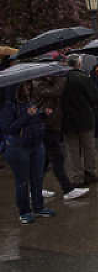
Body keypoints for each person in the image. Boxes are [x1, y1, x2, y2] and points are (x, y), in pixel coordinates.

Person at [1, 81, 57, 224]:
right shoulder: (8, 106)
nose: (28, 88)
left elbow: (35, 119)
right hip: (18, 148)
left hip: (36, 145)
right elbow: (8, 129)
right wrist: (27, 115)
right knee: (22, 182)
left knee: (37, 178)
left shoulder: (30, 101)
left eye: (28, 85)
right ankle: (24, 211)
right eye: (24, 86)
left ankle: (39, 207)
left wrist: (43, 114)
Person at [33, 74, 89, 200]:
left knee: (44, 161)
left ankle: (35, 188)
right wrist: (61, 79)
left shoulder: (45, 82)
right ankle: (67, 189)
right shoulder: (38, 84)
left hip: (52, 124)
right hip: (46, 125)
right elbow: (56, 92)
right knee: (57, 158)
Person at [61, 54, 98, 186]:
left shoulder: (61, 79)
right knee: (88, 148)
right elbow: (95, 97)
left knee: (72, 151)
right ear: (78, 64)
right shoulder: (84, 78)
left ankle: (77, 177)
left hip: (67, 120)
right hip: (85, 118)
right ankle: (90, 172)